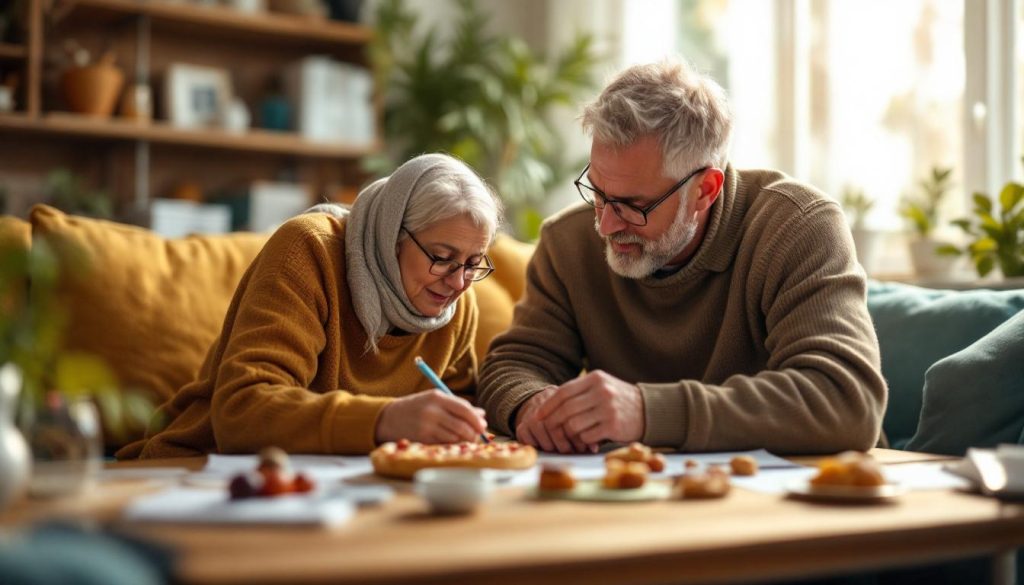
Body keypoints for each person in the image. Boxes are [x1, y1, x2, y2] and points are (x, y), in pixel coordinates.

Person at [478, 59, 887, 455]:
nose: (605, 224)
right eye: (598, 193)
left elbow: (848, 402)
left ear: (705, 190)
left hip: (806, 488)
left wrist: (648, 412)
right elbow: (514, 365)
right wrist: (530, 404)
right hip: (639, 488)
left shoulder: (797, 227)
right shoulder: (568, 242)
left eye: (633, 205)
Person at [118, 153, 502, 459]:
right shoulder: (309, 252)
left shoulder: (455, 302)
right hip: (208, 466)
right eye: (441, 257)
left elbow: (459, 403)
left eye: (473, 263)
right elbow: (243, 410)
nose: (458, 282)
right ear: (392, 236)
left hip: (354, 485)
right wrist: (384, 420)